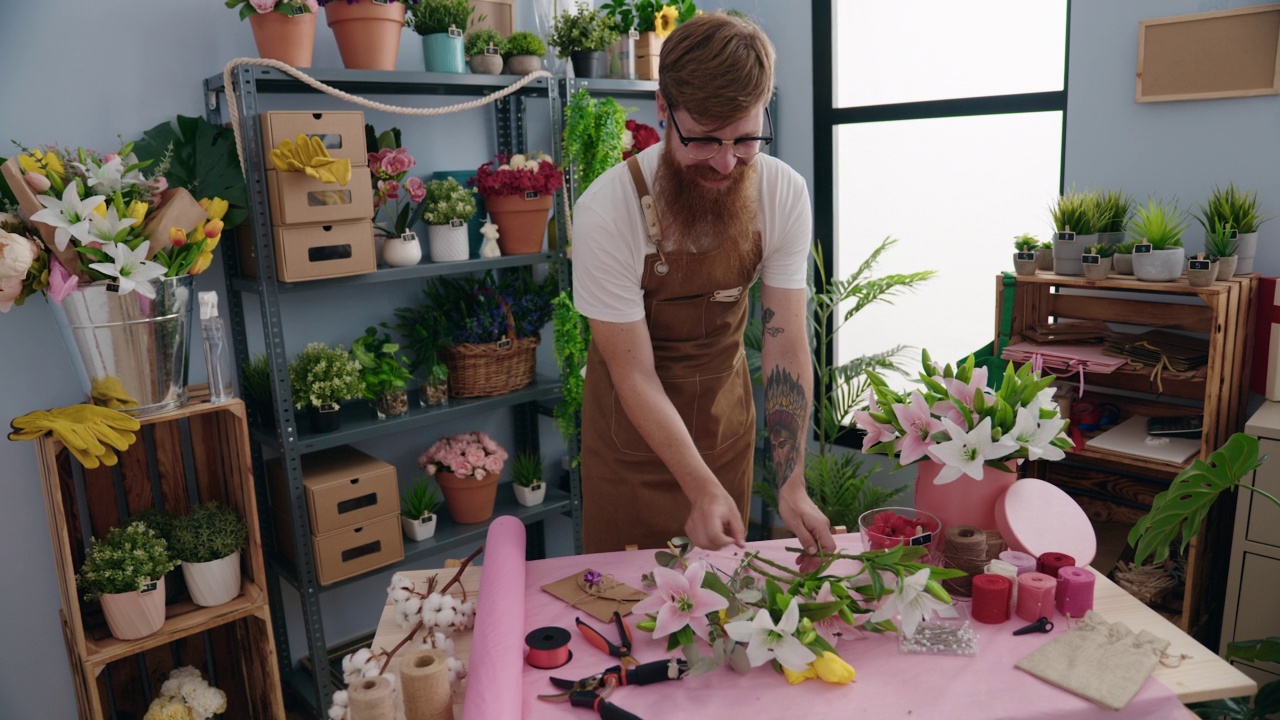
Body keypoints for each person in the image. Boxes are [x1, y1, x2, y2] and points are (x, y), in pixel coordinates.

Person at [570, 12, 836, 562]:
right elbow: (634, 373)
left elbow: (785, 341)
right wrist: (699, 487)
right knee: (627, 613)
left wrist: (791, 483)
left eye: (745, 140)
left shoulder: (782, 194)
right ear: (663, 108)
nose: (724, 162)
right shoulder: (606, 211)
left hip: (724, 434)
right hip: (631, 449)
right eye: (704, 140)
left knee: (718, 610)